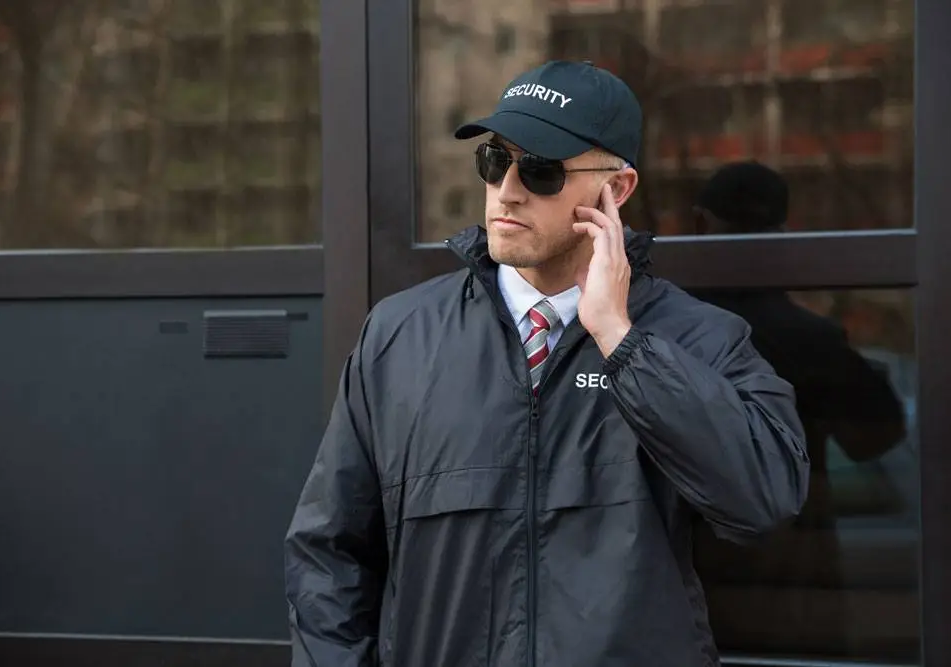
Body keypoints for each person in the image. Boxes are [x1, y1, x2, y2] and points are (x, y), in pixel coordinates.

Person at [285, 60, 810, 667]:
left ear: (617, 190)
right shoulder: (400, 335)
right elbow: (329, 553)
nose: (508, 190)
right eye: (494, 161)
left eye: (540, 170)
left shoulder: (696, 339)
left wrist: (620, 339)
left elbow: (764, 499)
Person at [688, 161, 907, 655]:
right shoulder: (812, 340)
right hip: (793, 589)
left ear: (700, 224)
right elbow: (878, 435)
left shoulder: (659, 333)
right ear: (782, 236)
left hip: (689, 586)